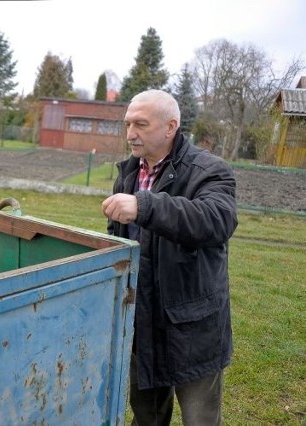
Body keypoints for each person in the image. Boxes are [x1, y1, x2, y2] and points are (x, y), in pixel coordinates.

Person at [101, 89, 238, 425]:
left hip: (192, 325)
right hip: (141, 318)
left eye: (141, 124)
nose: (130, 133)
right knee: (147, 417)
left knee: (199, 419)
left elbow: (216, 220)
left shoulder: (210, 170)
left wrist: (144, 205)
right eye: (128, 124)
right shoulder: (130, 172)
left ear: (170, 126)